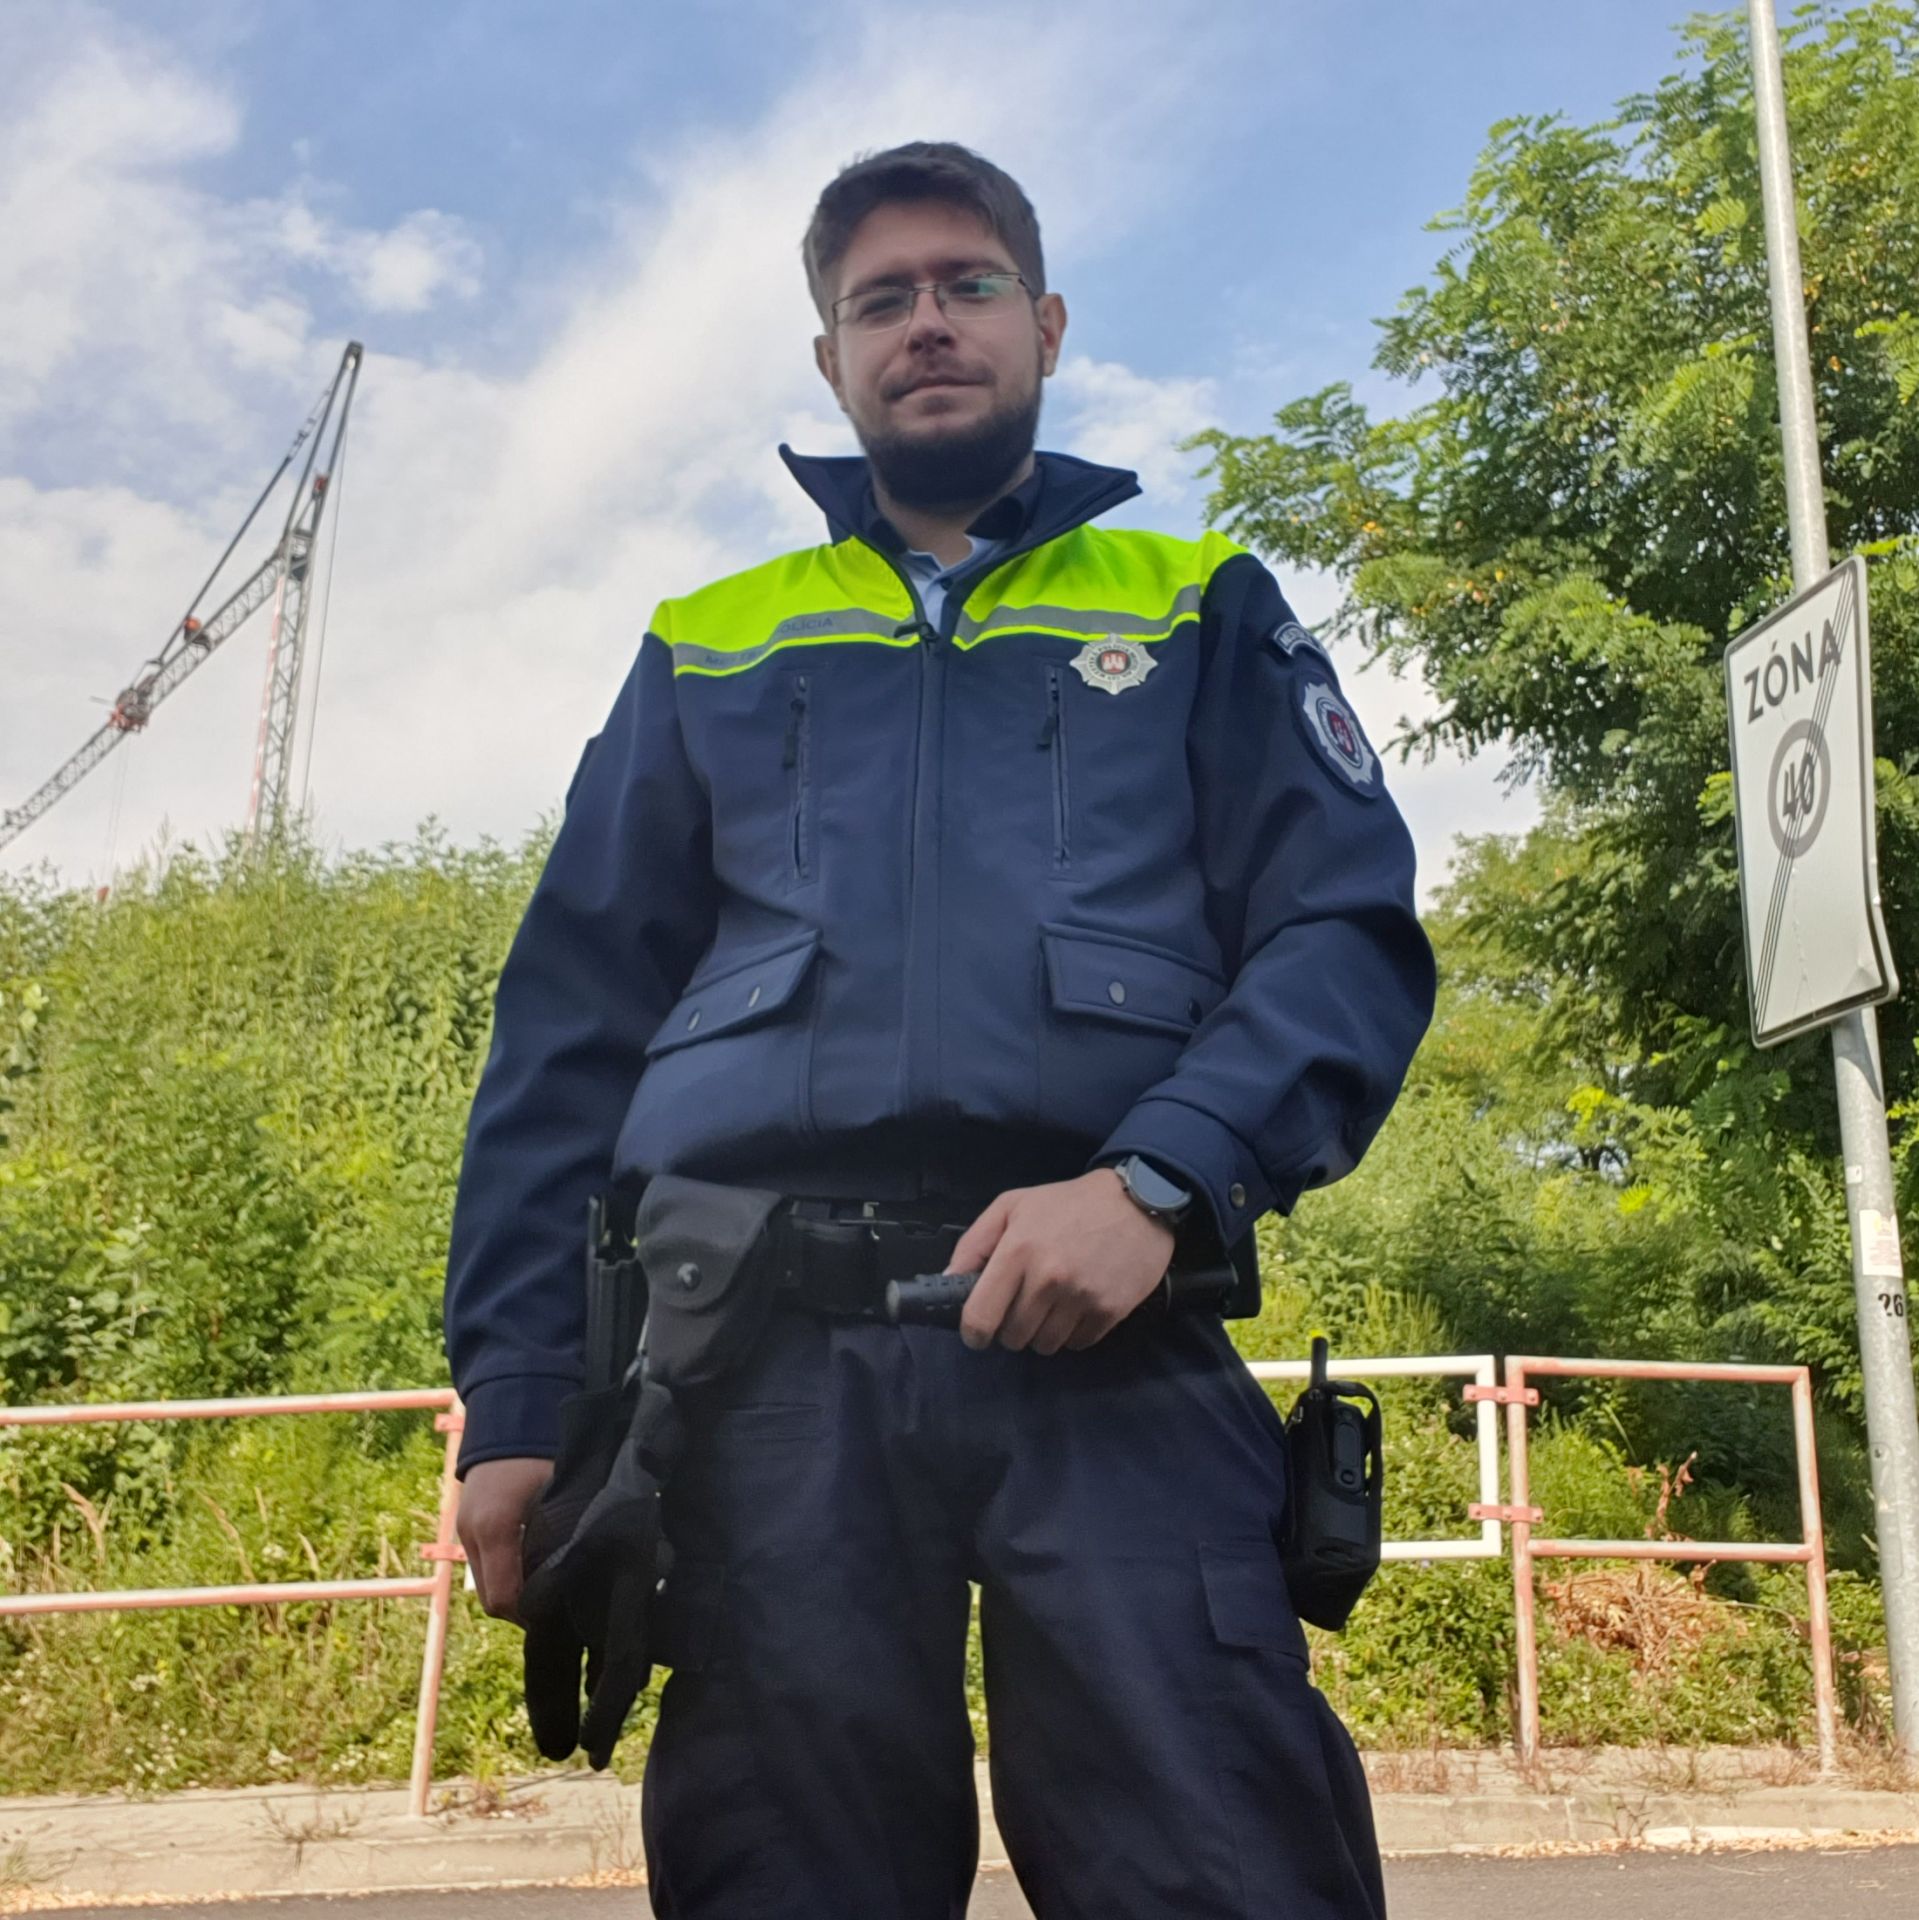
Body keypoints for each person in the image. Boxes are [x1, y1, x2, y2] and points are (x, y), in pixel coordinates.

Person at [445, 140, 1434, 1919]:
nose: (926, 323)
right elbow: (564, 1037)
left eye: (968, 284)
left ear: (1044, 325)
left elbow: (1342, 935)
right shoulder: (709, 643)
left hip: (1117, 1339)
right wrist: (518, 1398)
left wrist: (1155, 1183)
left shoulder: (1200, 604)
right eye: (878, 299)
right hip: (763, 1375)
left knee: (1225, 1870)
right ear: (830, 358)